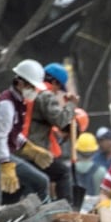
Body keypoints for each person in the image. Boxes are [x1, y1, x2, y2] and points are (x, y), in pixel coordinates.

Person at [0, 58, 51, 205]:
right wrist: (6, 164)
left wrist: (30, 148)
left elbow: (12, 133)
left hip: (3, 156)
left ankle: (43, 219)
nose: (34, 91)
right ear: (20, 83)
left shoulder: (18, 102)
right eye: (32, 87)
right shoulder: (6, 104)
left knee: (41, 182)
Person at [20, 62, 77, 202]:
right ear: (54, 81)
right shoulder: (46, 95)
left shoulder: (28, 91)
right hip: (35, 152)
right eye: (58, 87)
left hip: (21, 149)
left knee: (33, 185)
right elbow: (61, 120)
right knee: (63, 173)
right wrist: (71, 104)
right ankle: (66, 208)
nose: (57, 92)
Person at [73, 132, 106, 197]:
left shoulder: (69, 171)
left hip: (74, 206)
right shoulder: (101, 171)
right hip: (95, 206)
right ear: (95, 151)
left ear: (77, 150)